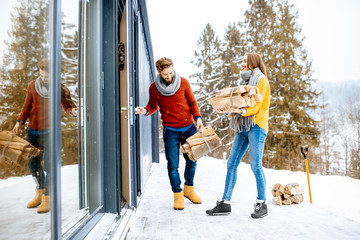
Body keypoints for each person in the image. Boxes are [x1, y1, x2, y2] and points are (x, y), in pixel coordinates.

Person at [206, 52, 271, 218]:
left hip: (256, 126)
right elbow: (236, 108)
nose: (242, 64)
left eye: (244, 61)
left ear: (252, 63)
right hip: (242, 127)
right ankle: (225, 203)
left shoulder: (262, 81)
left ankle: (262, 203)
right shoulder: (243, 83)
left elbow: (257, 106)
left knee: (256, 165)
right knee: (231, 163)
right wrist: (228, 111)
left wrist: (239, 110)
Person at [136, 57, 204, 210]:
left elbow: (193, 103)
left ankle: (189, 189)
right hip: (171, 130)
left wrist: (198, 118)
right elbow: (152, 106)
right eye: (166, 74)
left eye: (171, 72)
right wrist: (145, 111)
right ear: (159, 72)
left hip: (189, 128)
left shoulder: (184, 83)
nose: (169, 76)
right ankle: (178, 194)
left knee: (192, 161)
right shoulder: (154, 88)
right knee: (173, 165)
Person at [12, 58, 77, 213]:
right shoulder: (32, 86)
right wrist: (19, 122)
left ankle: (48, 198)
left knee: (49, 165)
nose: (44, 78)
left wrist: (73, 112)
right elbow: (27, 106)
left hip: (50, 133)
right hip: (32, 132)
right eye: (42, 75)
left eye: (47, 76)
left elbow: (68, 106)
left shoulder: (60, 88)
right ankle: (40, 192)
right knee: (32, 165)